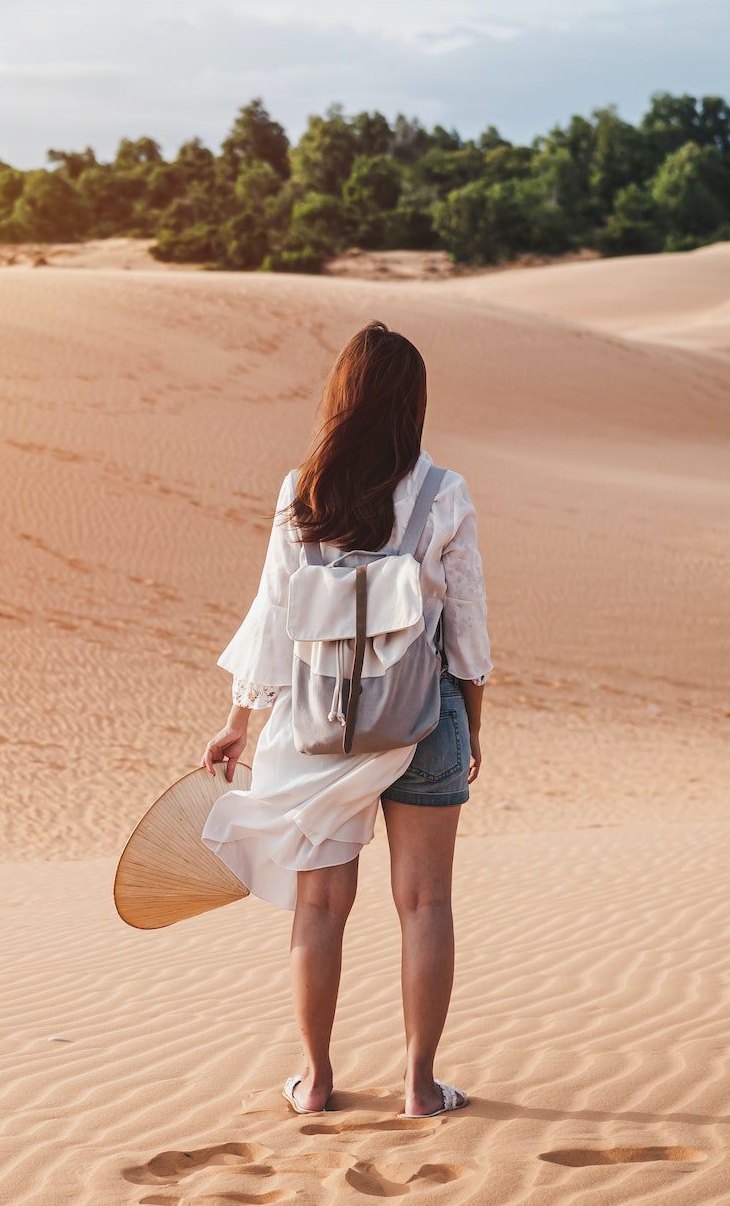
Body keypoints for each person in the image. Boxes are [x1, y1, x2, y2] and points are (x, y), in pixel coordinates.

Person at [198, 321, 491, 1119]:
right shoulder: (445, 493)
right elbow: (464, 629)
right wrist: (470, 719)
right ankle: (420, 1087)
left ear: (343, 398)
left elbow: (272, 619)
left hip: (318, 725)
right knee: (425, 903)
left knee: (320, 906)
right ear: (411, 404)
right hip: (421, 724)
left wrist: (240, 720)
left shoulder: (303, 490)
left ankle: (317, 1080)